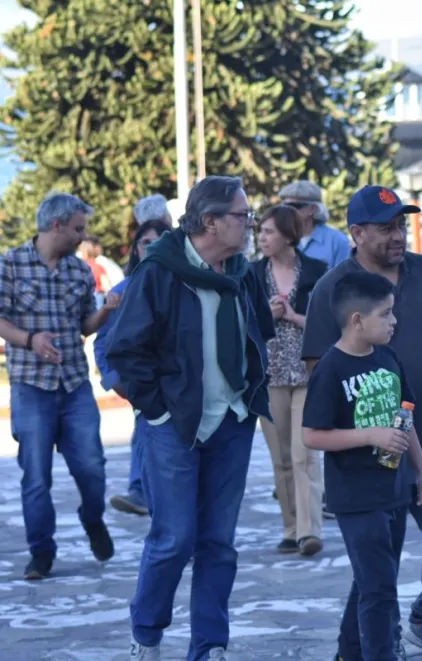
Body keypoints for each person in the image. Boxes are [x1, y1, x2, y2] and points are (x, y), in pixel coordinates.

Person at [301, 185, 422, 661]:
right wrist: (361, 432)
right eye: (385, 228)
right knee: (377, 566)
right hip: (367, 455)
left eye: (400, 225)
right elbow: (320, 370)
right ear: (356, 233)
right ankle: (358, 650)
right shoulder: (332, 288)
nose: (397, 235)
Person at [106, 175, 274, 661]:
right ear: (210, 221)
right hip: (175, 427)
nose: (250, 224)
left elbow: (259, 330)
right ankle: (147, 635)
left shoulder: (242, 271)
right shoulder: (159, 270)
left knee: (218, 543)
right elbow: (124, 351)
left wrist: (250, 392)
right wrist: (157, 409)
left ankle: (210, 647)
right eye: (242, 216)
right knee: (174, 539)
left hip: (232, 423)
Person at [303, 271, 422, 661]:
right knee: (379, 590)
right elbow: (311, 435)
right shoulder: (330, 369)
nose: (394, 322)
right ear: (357, 320)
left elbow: (404, 416)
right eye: (386, 314)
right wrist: (369, 436)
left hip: (394, 491)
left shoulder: (388, 358)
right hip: (355, 497)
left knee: (372, 582)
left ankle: (348, 652)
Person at [0, 192, 120, 580]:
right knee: (36, 476)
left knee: (92, 468)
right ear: (57, 225)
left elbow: (85, 326)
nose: (83, 237)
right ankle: (41, 553)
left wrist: (104, 310)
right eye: (78, 229)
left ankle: (92, 518)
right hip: (30, 387)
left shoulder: (79, 271)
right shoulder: (11, 264)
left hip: (74, 387)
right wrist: (29, 339)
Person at [250, 205, 328, 556]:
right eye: (260, 232)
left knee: (304, 454)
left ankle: (310, 531)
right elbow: (242, 324)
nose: (261, 238)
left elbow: (329, 325)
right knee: (280, 457)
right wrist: (265, 315)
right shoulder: (251, 275)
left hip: (307, 373)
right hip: (269, 376)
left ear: (287, 235)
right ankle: (291, 527)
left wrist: (295, 317)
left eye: (268, 232)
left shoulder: (316, 272)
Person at [95, 218, 172, 517]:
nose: (151, 249)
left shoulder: (183, 284)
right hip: (142, 385)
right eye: (145, 243)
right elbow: (103, 342)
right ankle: (140, 491)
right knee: (145, 430)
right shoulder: (122, 290)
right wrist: (113, 380)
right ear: (136, 249)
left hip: (180, 385)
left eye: (159, 243)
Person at [278, 180, 351, 267]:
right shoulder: (279, 239)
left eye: (295, 206)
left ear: (313, 209)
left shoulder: (337, 242)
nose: (288, 211)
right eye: (285, 206)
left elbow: (346, 278)